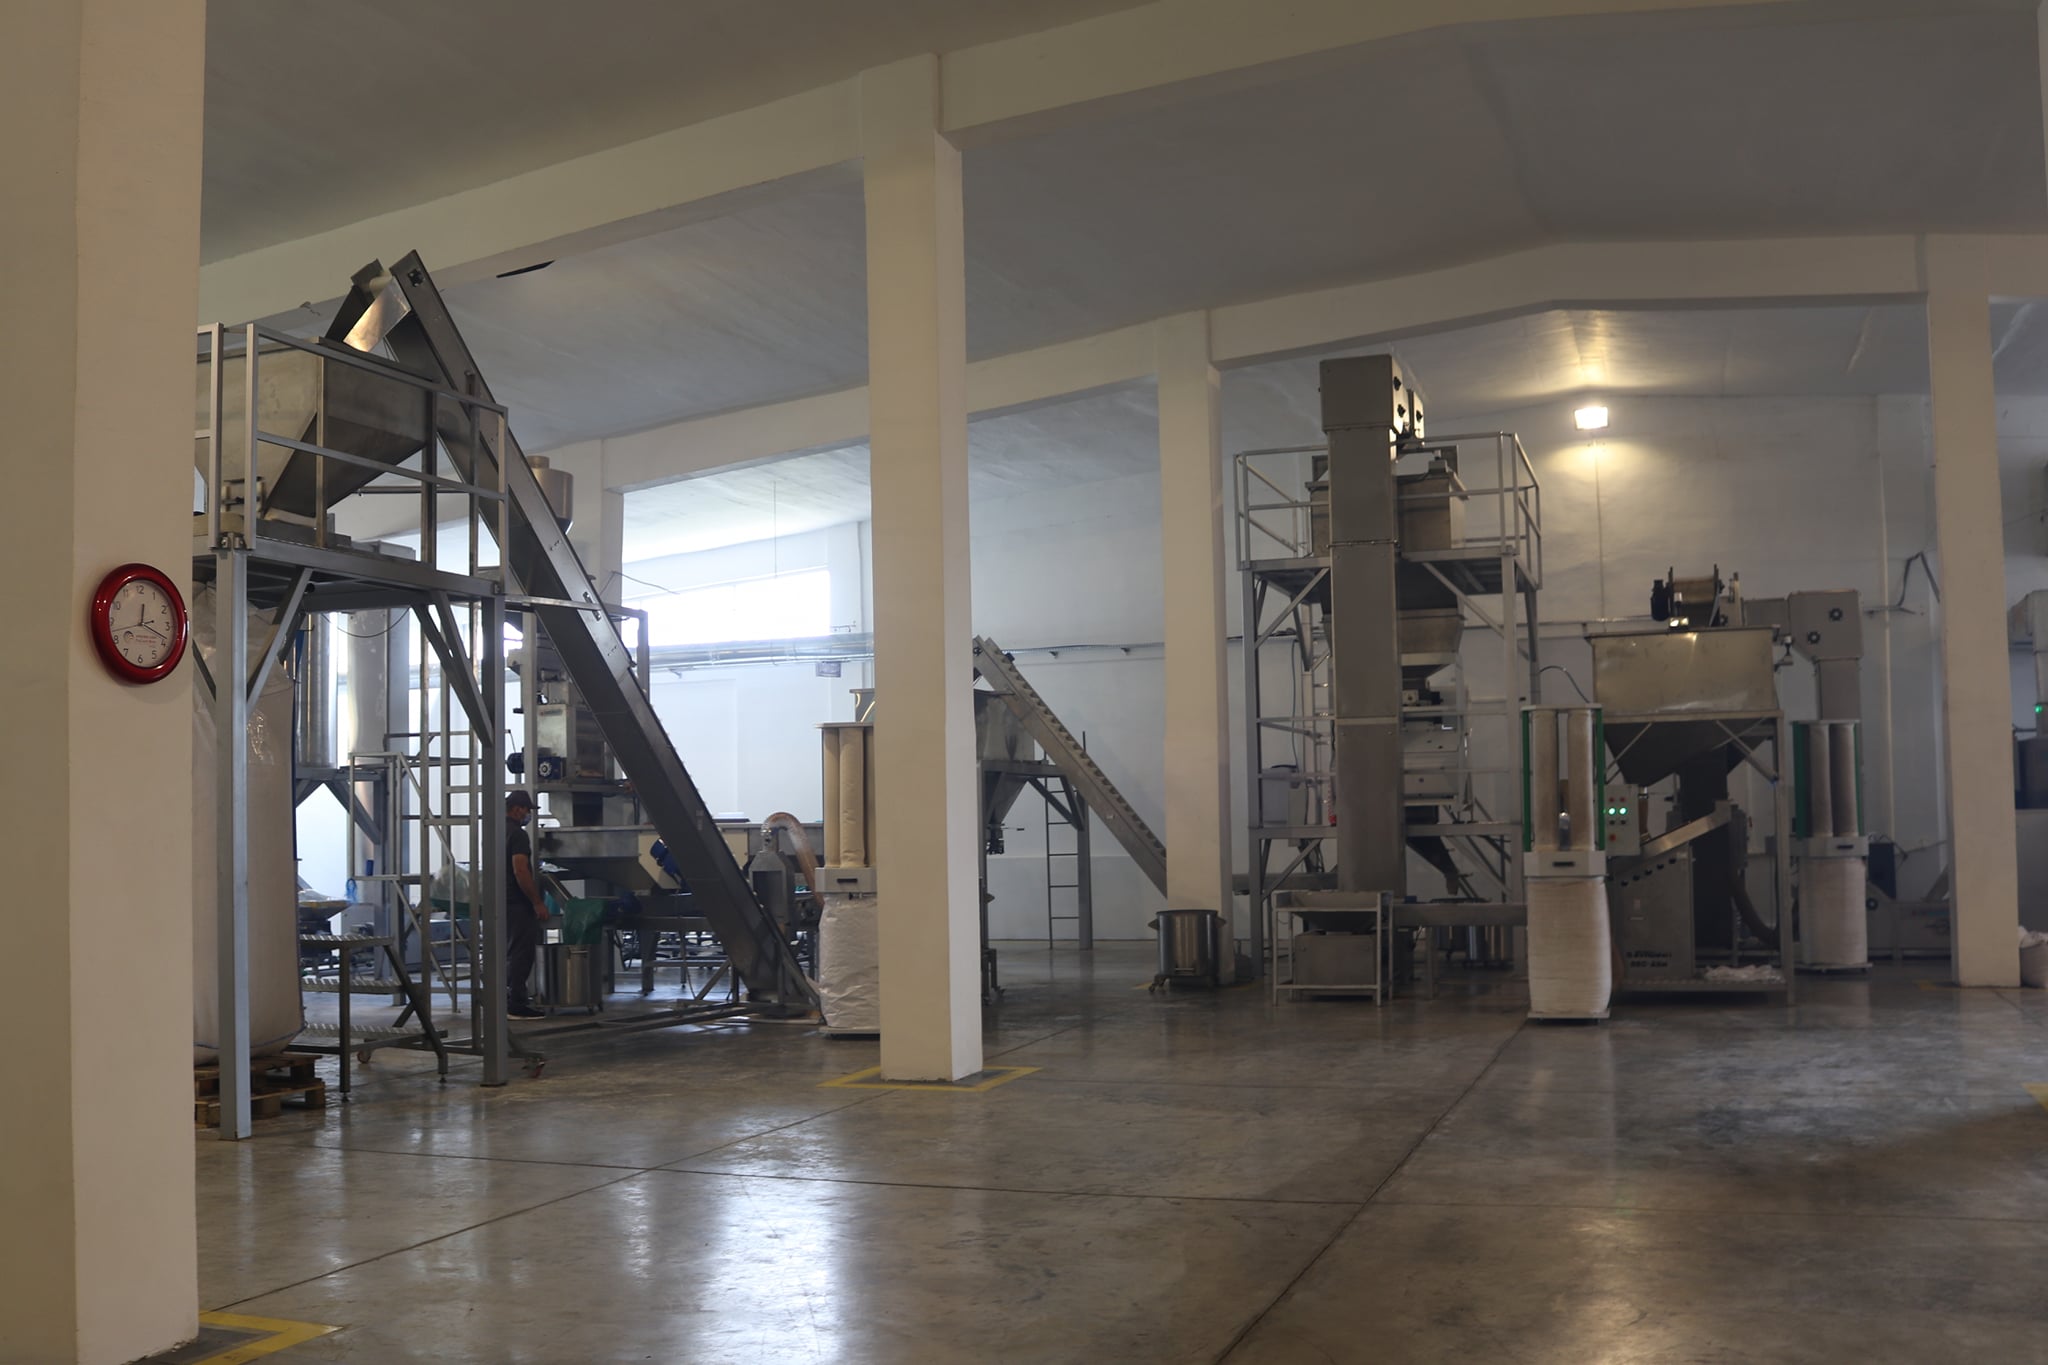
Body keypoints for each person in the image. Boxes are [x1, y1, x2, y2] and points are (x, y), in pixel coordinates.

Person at [504, 791, 548, 1020]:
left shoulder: (494, 830)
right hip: (518, 902)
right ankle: (516, 1004)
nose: (528, 814)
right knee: (521, 954)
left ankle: (501, 1000)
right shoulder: (518, 835)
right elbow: (520, 870)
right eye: (527, 810)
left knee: (508, 952)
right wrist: (537, 902)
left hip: (500, 901)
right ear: (517, 808)